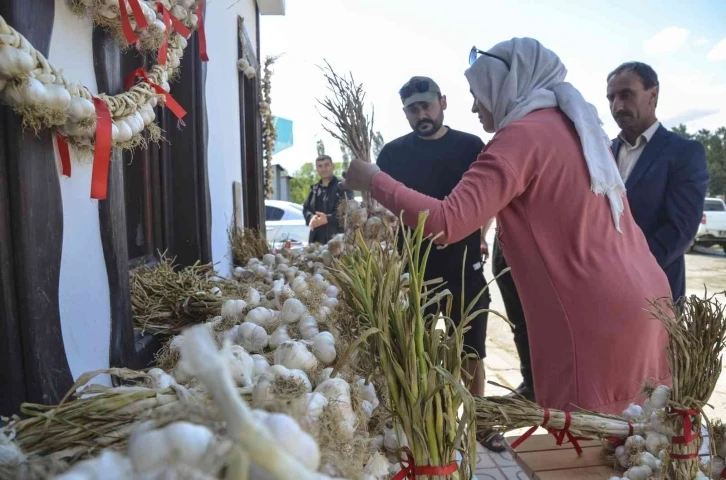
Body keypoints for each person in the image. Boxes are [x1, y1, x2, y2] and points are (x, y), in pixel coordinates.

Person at [341, 38, 672, 415]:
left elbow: (448, 222)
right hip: (646, 300)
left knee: (583, 450)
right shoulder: (574, 127)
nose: (473, 105)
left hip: (593, 317)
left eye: (477, 94)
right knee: (637, 443)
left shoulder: (521, 136)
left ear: (505, 85)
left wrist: (373, 180)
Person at [376, 74, 492, 410]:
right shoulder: (392, 154)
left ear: (442, 102)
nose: (420, 115)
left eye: (425, 106)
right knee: (418, 351)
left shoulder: (471, 147)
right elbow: (380, 211)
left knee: (471, 350)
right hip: (415, 271)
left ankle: (477, 421)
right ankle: (428, 422)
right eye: (412, 110)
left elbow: (489, 201)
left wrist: (479, 236)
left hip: (465, 267)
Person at [607, 62, 709, 303]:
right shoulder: (603, 152)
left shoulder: (684, 152)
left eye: (626, 94)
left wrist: (628, 270)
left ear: (653, 94)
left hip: (655, 293)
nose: (617, 106)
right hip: (602, 291)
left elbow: (680, 229)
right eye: (611, 98)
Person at [491, 236, 534, 402]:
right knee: (520, 323)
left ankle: (534, 385)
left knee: (531, 323)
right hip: (506, 240)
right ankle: (530, 382)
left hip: (524, 243)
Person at [303, 154, 354, 245]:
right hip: (316, 242)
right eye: (320, 166)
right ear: (317, 169)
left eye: (326, 165)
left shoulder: (343, 186)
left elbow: (349, 211)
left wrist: (328, 219)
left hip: (339, 241)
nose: (324, 169)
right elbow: (306, 209)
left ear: (333, 166)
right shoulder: (314, 189)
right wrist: (311, 217)